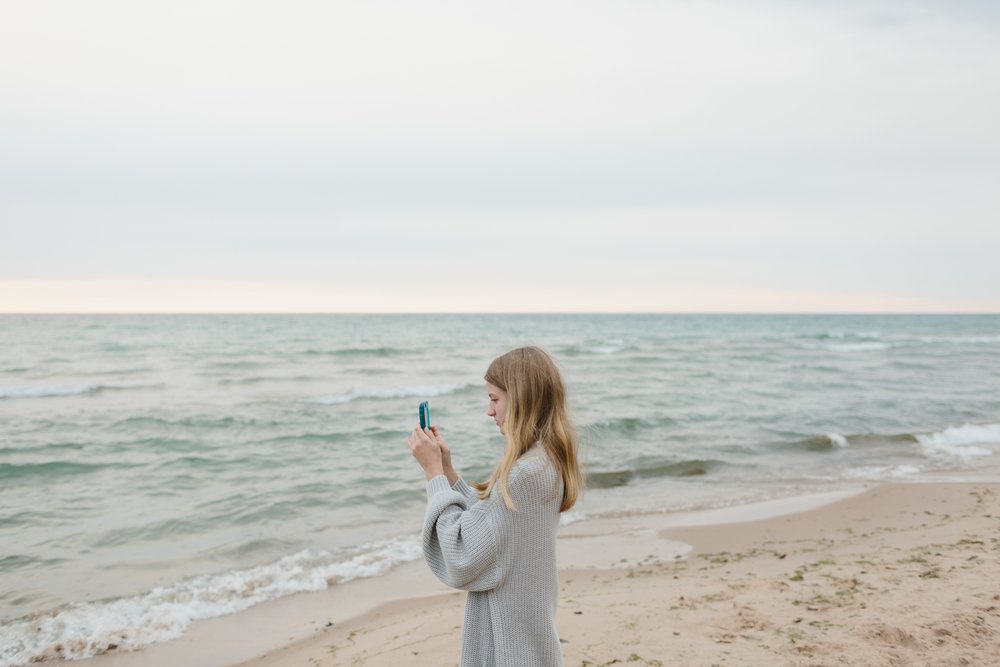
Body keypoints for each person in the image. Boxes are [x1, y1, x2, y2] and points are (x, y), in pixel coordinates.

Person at [406, 346, 585, 667]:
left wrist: (432, 474)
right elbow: (494, 520)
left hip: (509, 648)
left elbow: (462, 552)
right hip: (526, 640)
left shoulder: (524, 474)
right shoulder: (544, 462)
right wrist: (447, 471)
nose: (490, 411)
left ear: (521, 399)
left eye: (494, 399)